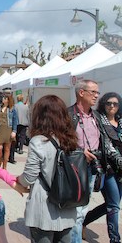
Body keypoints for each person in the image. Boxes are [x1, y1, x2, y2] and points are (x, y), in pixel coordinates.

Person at [17, 95, 78, 242]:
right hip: (67, 204)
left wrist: (18, 180)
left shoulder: (38, 141)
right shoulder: (71, 139)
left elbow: (29, 177)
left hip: (44, 206)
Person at [68, 80, 120, 243]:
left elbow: (106, 141)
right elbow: (60, 141)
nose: (97, 96)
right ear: (81, 93)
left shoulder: (96, 116)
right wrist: (79, 150)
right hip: (73, 168)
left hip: (92, 170)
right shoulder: (68, 114)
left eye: (98, 93)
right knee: (75, 212)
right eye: (93, 92)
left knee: (81, 211)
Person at [82, 92, 122, 242]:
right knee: (113, 205)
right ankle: (115, 239)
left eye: (115, 103)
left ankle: (84, 221)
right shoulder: (99, 121)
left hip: (121, 171)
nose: (112, 106)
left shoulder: (121, 122)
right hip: (108, 168)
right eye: (109, 103)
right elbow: (105, 146)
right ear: (103, 104)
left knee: (112, 204)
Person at [0, 94, 18, 170]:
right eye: (3, 98)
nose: (3, 99)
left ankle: (4, 166)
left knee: (7, 149)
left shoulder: (12, 109)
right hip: (0, 129)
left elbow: (15, 120)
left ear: (8, 100)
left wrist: (14, 131)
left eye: (5, 98)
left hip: (8, 129)